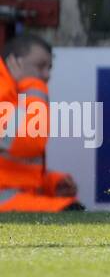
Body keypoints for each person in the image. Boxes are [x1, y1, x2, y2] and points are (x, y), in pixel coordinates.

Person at [0, 35, 81, 212]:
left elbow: (12, 167)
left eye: (49, 67)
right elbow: (30, 141)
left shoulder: (14, 92)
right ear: (13, 62)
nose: (46, 75)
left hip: (12, 197)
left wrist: (51, 182)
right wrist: (33, 86)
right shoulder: (12, 90)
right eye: (39, 66)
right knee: (68, 210)